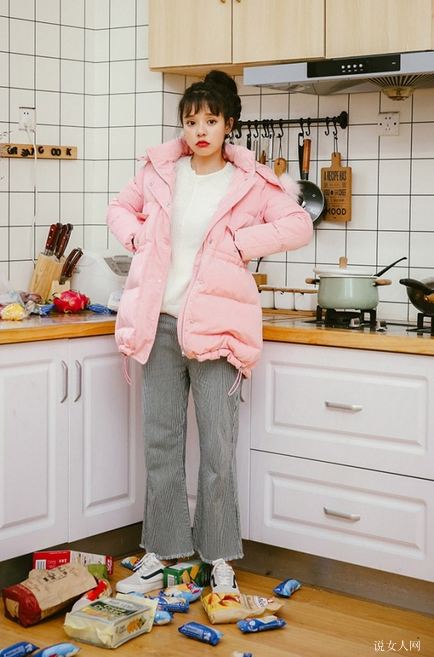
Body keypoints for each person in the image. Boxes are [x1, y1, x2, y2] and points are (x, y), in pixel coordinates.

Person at [107, 70, 313, 595]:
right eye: (191, 121)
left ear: (228, 125)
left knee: (219, 449)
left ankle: (219, 558)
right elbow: (119, 209)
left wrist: (243, 243)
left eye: (211, 121)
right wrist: (138, 237)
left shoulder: (249, 182)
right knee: (161, 443)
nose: (200, 130)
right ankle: (161, 552)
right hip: (159, 325)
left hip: (218, 329)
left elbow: (298, 224)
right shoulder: (160, 172)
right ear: (182, 126)